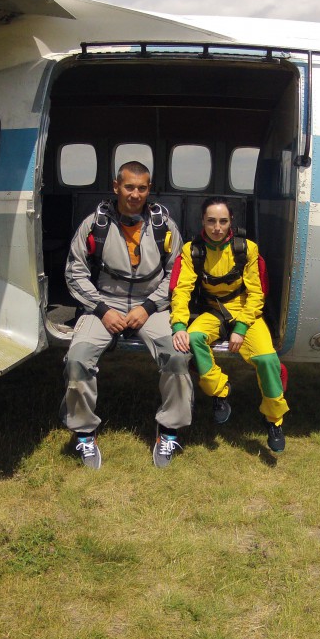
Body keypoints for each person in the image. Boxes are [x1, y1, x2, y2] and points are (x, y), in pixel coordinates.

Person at [62, 161, 193, 469]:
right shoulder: (95, 224)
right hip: (104, 303)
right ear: (116, 187)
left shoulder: (164, 226)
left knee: (177, 356)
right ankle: (84, 433)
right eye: (129, 187)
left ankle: (169, 430)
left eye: (142, 188)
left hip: (151, 305)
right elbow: (75, 272)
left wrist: (148, 307)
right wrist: (102, 310)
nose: (135, 194)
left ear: (149, 190)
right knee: (77, 358)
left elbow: (178, 274)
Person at [171, 197, 289, 451]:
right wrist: (179, 325)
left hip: (246, 312)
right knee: (194, 337)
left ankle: (274, 420)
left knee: (268, 360)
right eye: (211, 221)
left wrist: (242, 328)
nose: (217, 227)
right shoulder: (192, 250)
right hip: (214, 311)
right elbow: (182, 290)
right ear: (202, 221)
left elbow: (257, 294)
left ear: (231, 221)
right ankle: (220, 391)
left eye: (223, 221)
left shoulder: (246, 249)